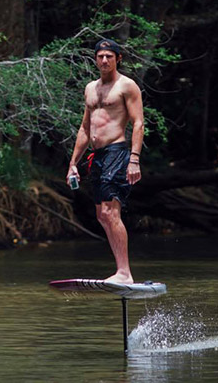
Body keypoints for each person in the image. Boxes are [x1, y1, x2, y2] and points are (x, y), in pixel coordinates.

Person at [66, 39, 144, 284]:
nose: (104, 60)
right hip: (97, 156)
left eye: (109, 56)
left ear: (118, 58)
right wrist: (72, 164)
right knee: (101, 215)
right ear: (95, 59)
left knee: (111, 212)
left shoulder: (127, 86)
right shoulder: (90, 88)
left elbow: (139, 123)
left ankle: (124, 272)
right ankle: (120, 271)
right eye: (100, 56)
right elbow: (84, 128)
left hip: (117, 152)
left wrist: (134, 160)